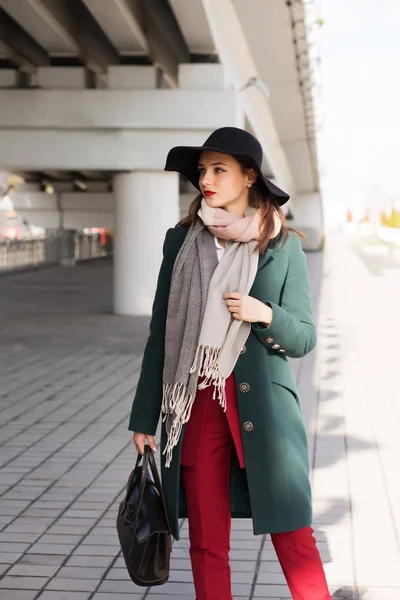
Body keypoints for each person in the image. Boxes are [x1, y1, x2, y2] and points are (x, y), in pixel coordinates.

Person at [128, 127, 331, 600]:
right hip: (195, 404)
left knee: (291, 529)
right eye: (202, 170)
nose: (207, 179)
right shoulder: (180, 244)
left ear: (249, 176)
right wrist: (144, 417)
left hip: (264, 408)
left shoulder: (282, 247)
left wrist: (265, 314)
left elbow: (303, 338)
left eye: (219, 169)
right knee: (207, 541)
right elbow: (161, 335)